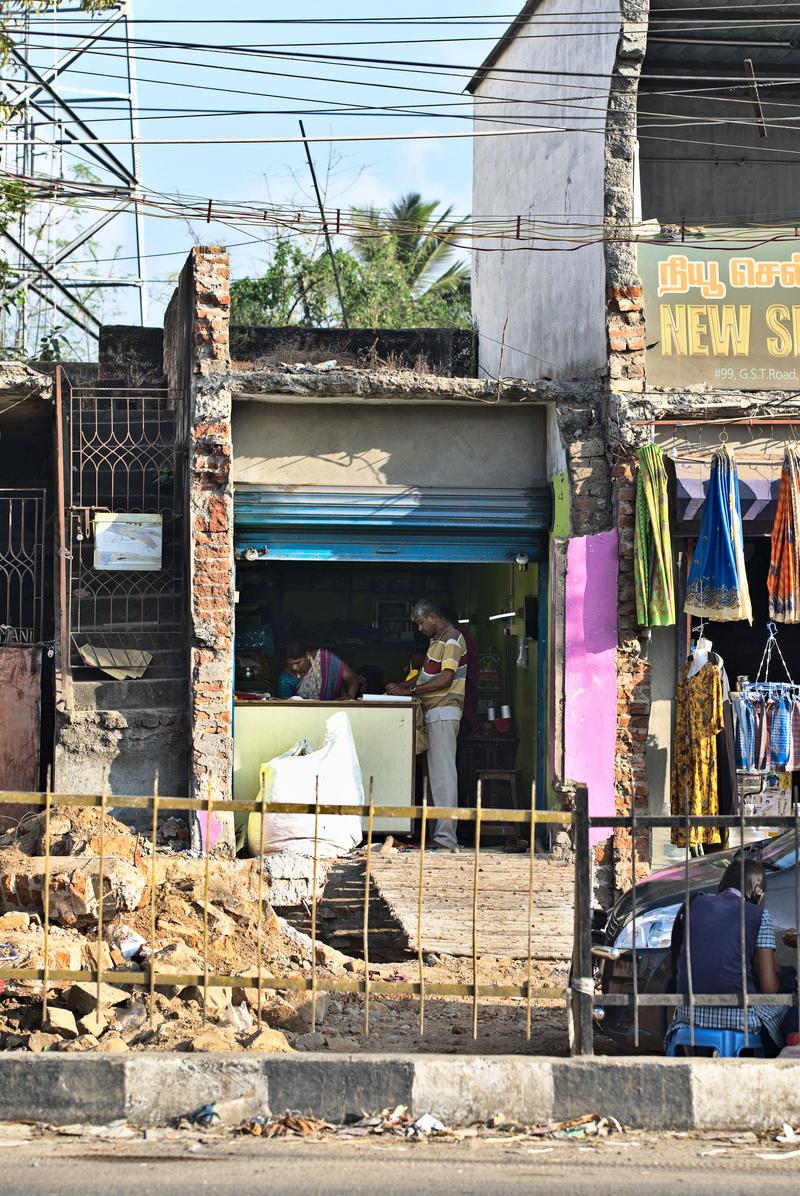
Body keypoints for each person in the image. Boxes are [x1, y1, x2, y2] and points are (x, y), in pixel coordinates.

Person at [665, 858, 785, 1055]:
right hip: (739, 1017)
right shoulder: (758, 915)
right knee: (786, 1016)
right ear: (759, 892)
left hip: (689, 1015)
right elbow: (769, 987)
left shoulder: (694, 905)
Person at [387, 599, 467, 852]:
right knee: (435, 777)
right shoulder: (437, 642)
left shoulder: (453, 639)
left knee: (443, 776)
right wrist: (403, 686)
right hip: (434, 712)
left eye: (421, 622)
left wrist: (408, 688)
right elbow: (428, 678)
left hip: (444, 711)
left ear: (433, 616)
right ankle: (438, 836)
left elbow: (446, 678)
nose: (420, 628)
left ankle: (446, 839)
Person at [278, 639, 360, 701]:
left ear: (307, 655)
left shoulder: (324, 658)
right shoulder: (285, 678)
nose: (294, 667)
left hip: (332, 712)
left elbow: (351, 677)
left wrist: (350, 695)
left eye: (298, 662)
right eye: (289, 664)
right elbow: (286, 704)